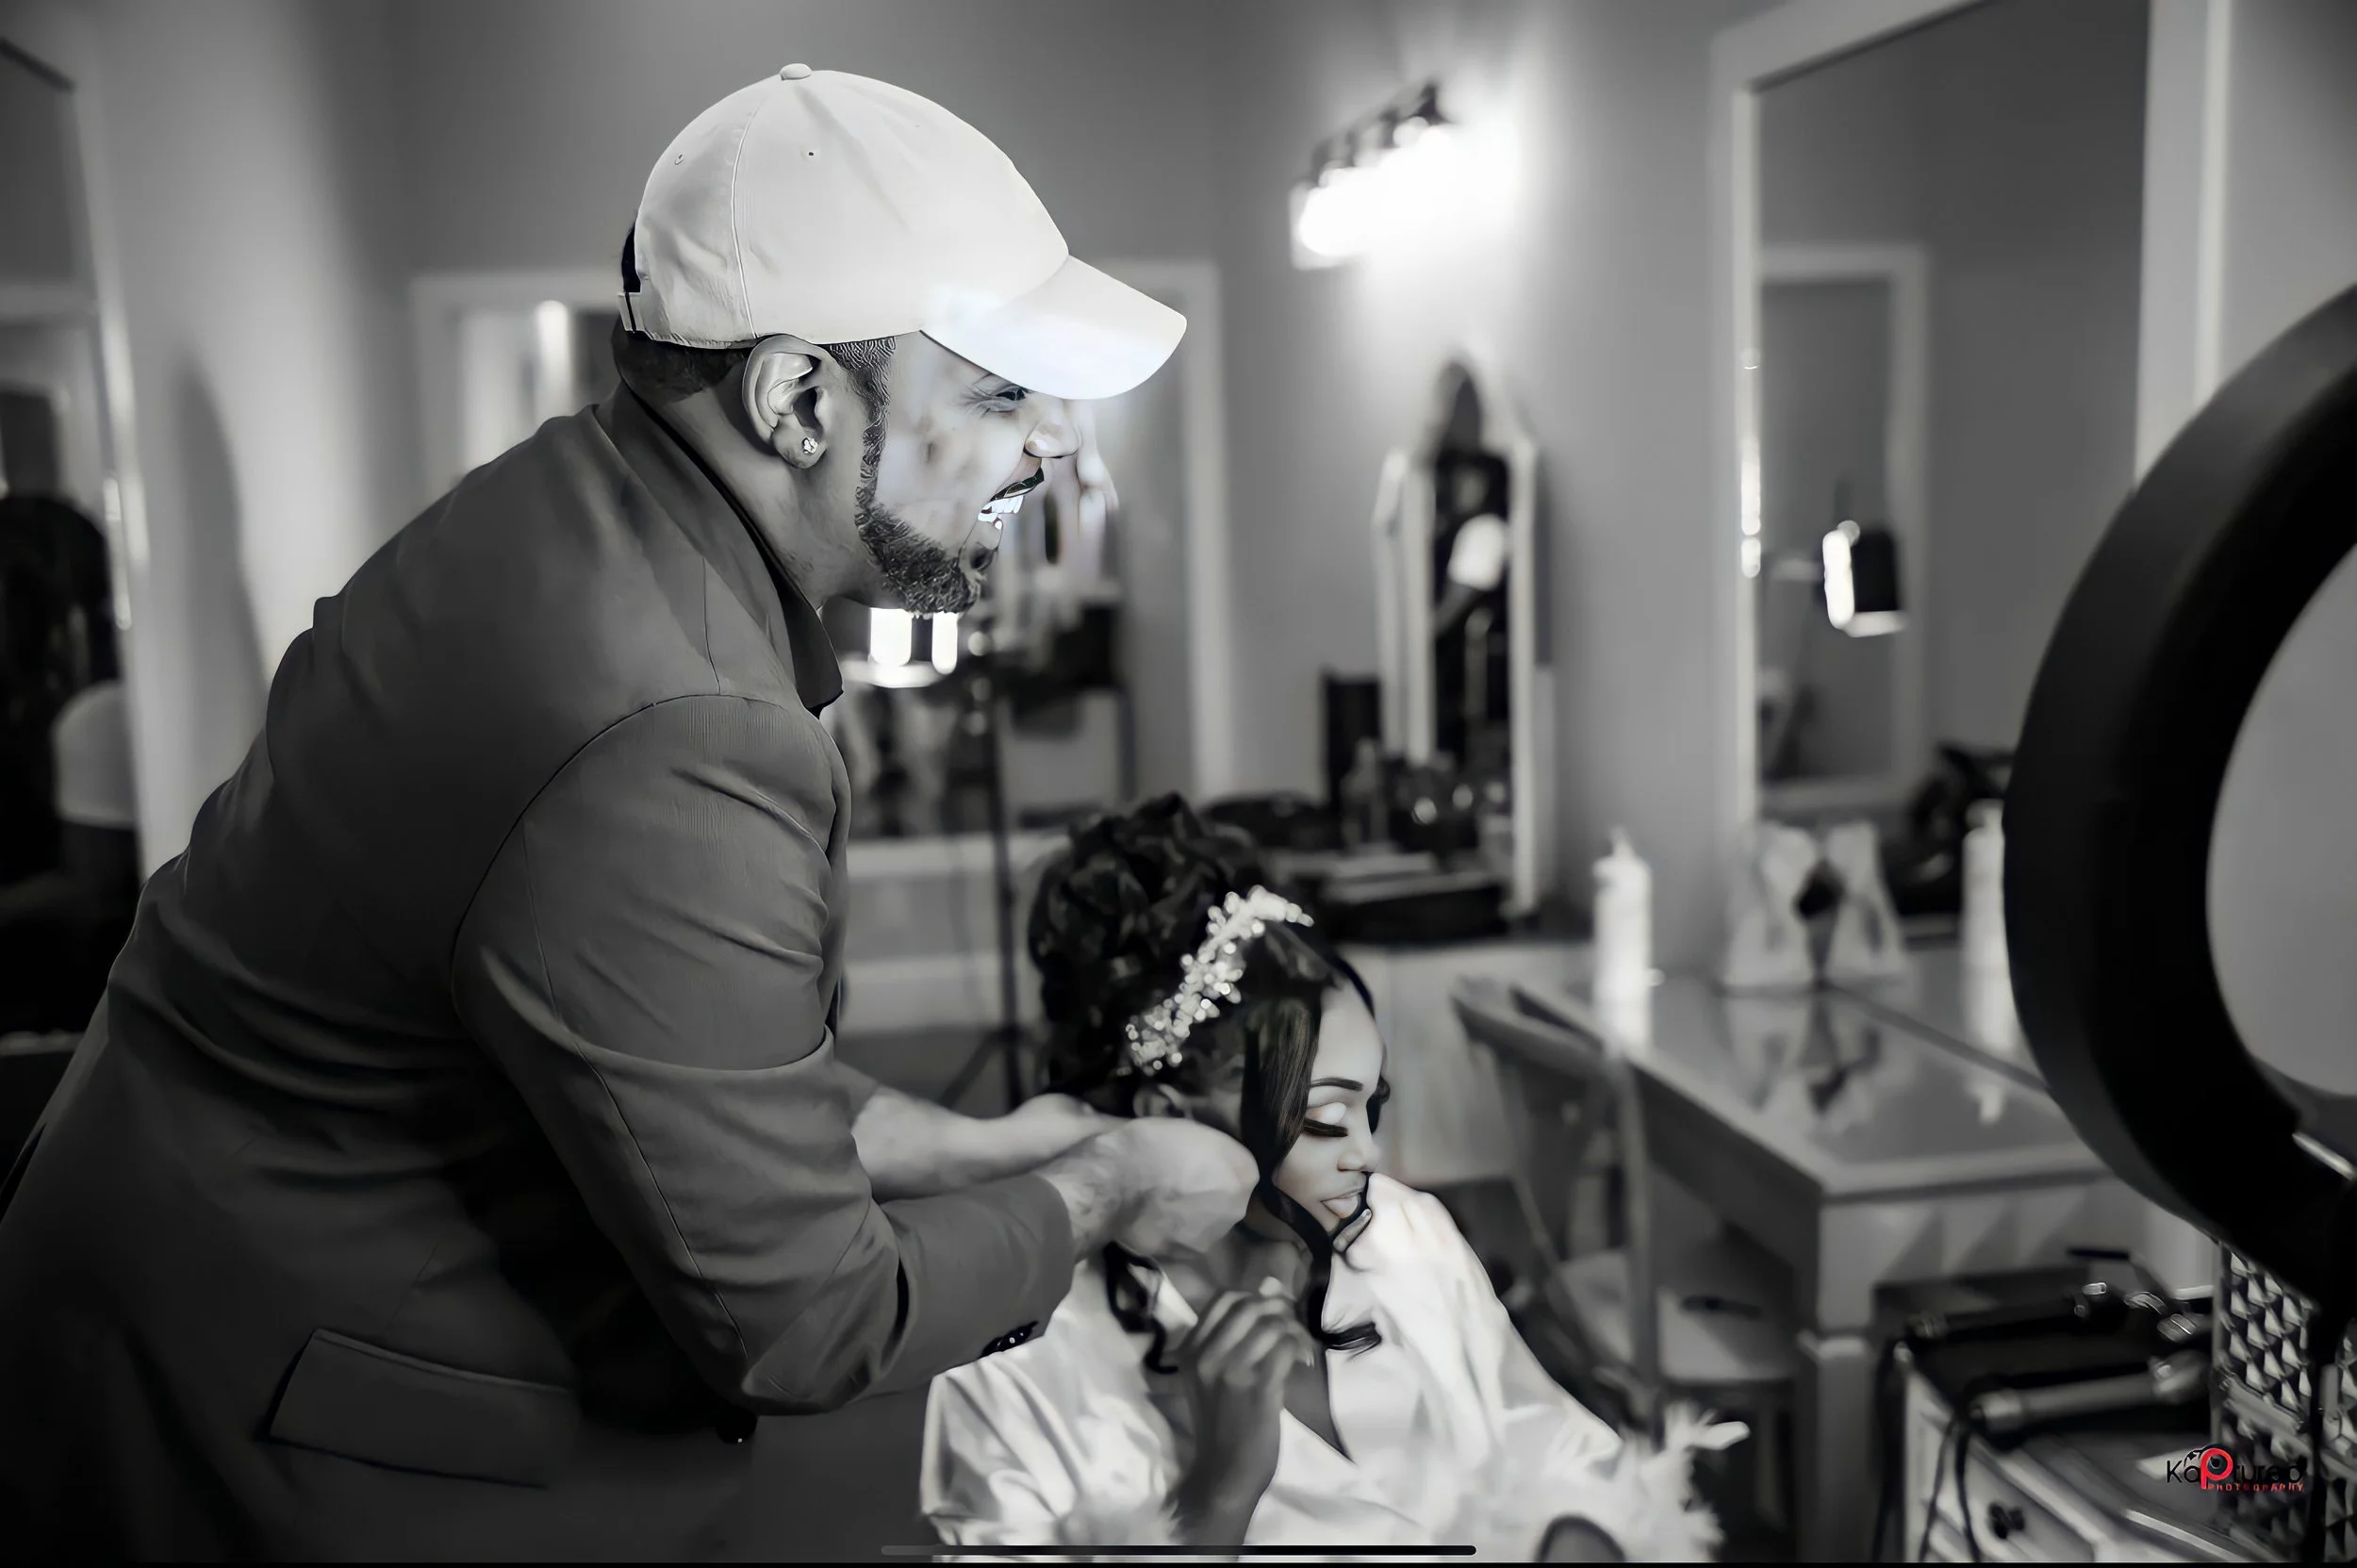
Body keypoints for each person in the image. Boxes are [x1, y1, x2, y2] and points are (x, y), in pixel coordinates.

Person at [0, 67, 1258, 1559]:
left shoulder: (570, 495)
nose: (1050, 442)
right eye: (997, 392)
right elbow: (806, 1316)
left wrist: (971, 1146)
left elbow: (678, 1066)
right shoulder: (673, 723)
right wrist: (1102, 1186)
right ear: (798, 400)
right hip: (279, 1405)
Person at [920, 796, 1745, 1560]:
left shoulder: (1404, 1234)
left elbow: (1544, 1439)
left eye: (1371, 1107)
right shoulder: (1013, 1363)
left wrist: (1575, 1532)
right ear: (1164, 1117)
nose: (1370, 1156)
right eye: (1323, 1119)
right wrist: (1218, 1492)